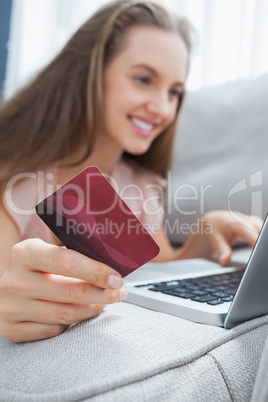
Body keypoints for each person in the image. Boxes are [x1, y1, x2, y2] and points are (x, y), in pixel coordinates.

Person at [0, 0, 262, 343]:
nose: (162, 108)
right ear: (90, 72)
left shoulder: (139, 182)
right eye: (143, 79)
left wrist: (206, 230)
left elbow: (157, 266)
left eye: (174, 92)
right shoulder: (18, 181)